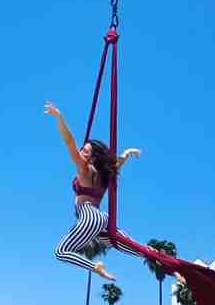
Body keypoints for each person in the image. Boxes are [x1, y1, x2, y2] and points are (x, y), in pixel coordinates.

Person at [46, 101, 183, 282]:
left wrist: (59, 118)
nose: (80, 152)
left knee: (61, 252)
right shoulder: (104, 175)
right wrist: (127, 153)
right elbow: (117, 164)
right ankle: (174, 270)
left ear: (92, 158)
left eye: (85, 151)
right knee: (136, 248)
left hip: (89, 217)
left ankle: (96, 267)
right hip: (102, 222)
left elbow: (69, 141)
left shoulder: (84, 168)